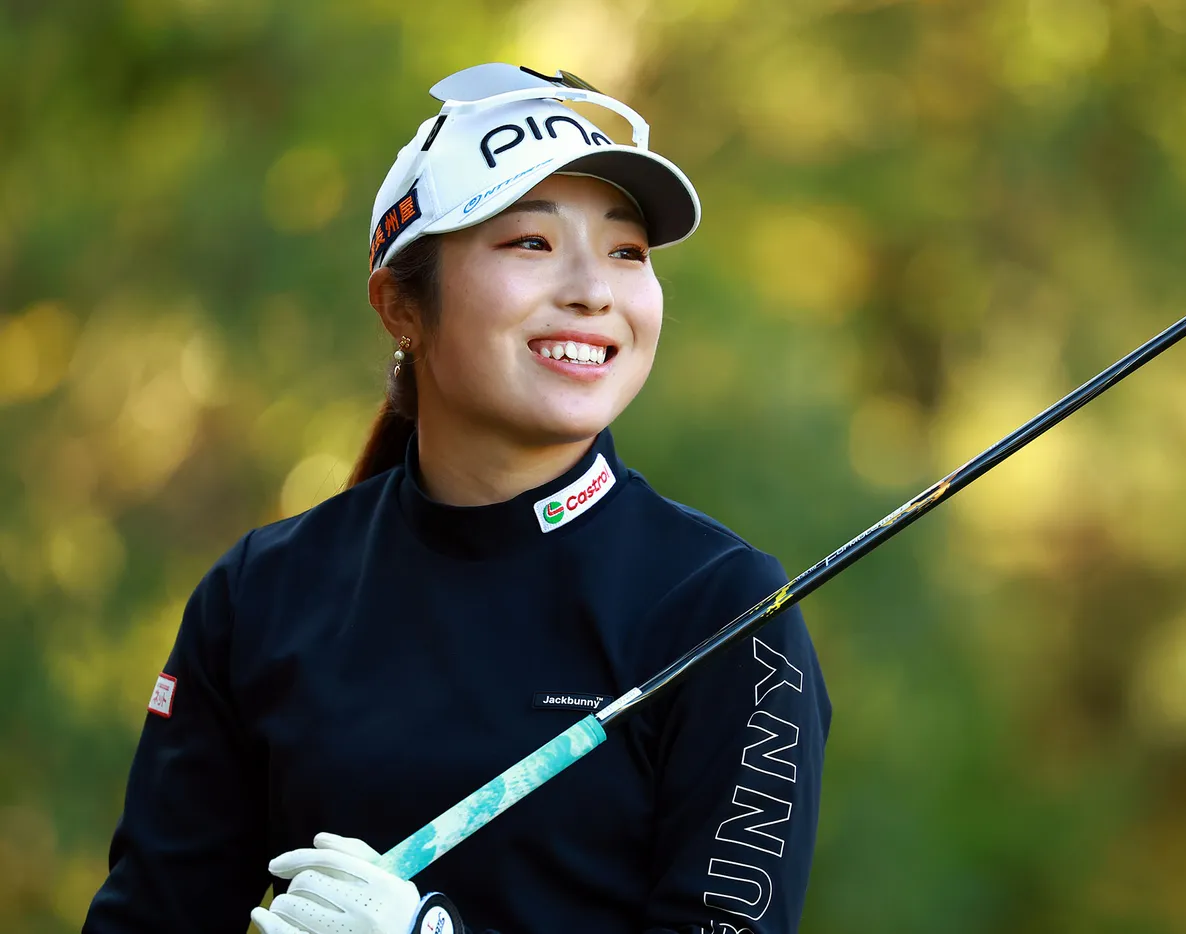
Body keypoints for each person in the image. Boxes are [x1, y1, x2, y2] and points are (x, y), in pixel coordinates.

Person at [83, 63, 831, 934]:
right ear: (401, 305)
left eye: (626, 252)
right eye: (531, 243)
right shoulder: (261, 594)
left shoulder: (727, 610)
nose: (594, 290)